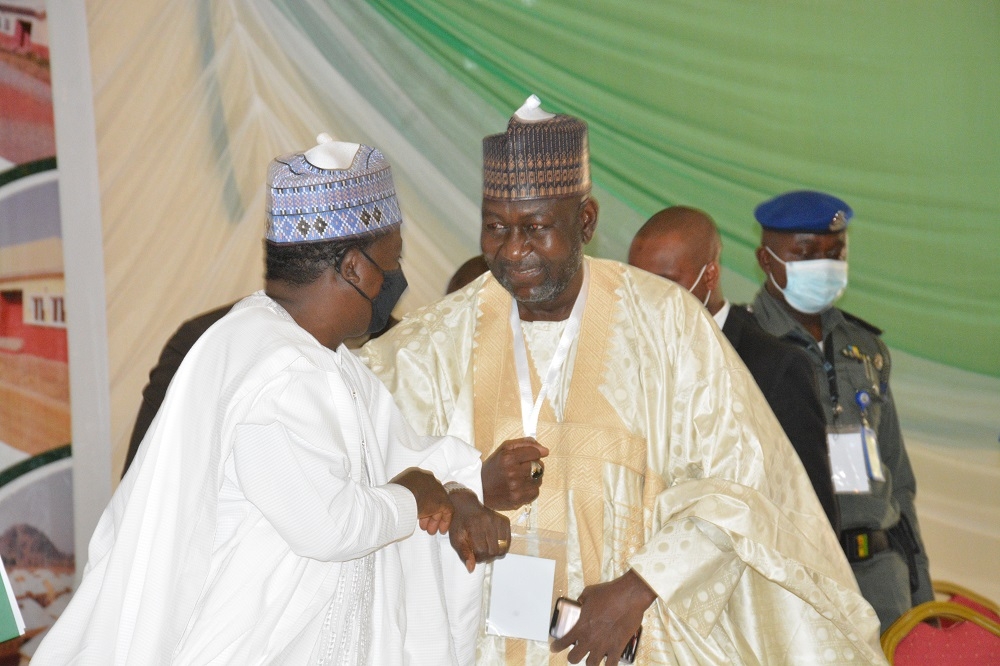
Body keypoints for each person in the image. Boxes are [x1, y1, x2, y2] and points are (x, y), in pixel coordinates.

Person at [362, 97, 884, 664]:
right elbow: (372, 460)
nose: (513, 250)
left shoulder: (667, 324)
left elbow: (741, 481)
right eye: (496, 227)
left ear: (585, 222)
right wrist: (463, 488)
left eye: (536, 228)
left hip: (637, 638)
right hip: (484, 644)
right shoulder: (434, 341)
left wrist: (637, 590)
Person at [34, 136, 509, 664]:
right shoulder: (272, 368)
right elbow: (327, 525)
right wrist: (415, 499)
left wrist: (460, 487)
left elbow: (396, 451)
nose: (394, 282)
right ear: (354, 268)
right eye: (389, 263)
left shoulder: (326, 361)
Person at [751, 189, 932, 633]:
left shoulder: (866, 348)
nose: (824, 266)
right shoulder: (745, 344)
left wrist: (921, 594)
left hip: (882, 579)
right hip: (797, 579)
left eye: (835, 253)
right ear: (766, 259)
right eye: (807, 253)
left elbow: (899, 483)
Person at [627, 206, 839, 533]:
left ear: (709, 275)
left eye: (665, 282)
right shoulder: (630, 360)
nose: (648, 297)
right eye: (637, 282)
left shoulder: (775, 366)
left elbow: (812, 514)